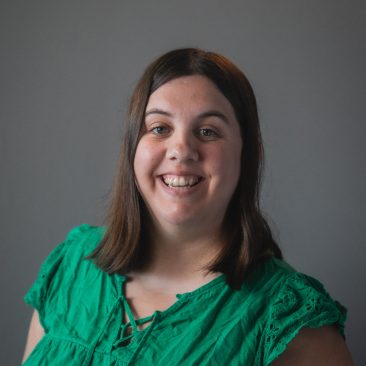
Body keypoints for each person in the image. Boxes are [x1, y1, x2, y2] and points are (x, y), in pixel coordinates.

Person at [22, 48, 354, 365]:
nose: (181, 149)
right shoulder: (71, 265)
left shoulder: (288, 321)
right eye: (159, 128)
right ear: (132, 149)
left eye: (208, 131)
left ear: (245, 154)